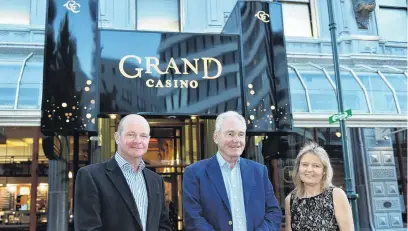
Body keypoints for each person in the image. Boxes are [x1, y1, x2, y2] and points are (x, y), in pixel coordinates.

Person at [183, 111, 282, 231]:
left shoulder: (259, 172)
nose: (236, 140)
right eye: (230, 134)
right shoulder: (194, 173)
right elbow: (193, 219)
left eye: (241, 134)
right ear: (215, 137)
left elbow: (274, 213)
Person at [74, 114, 171, 231]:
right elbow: (88, 228)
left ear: (149, 140)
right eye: (131, 134)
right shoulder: (91, 176)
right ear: (117, 137)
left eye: (143, 136)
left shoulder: (156, 180)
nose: (138, 141)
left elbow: (163, 225)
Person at [285, 142, 354, 231]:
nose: (309, 169)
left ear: (324, 170)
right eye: (305, 164)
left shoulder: (337, 195)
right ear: (298, 168)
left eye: (316, 166)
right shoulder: (290, 200)